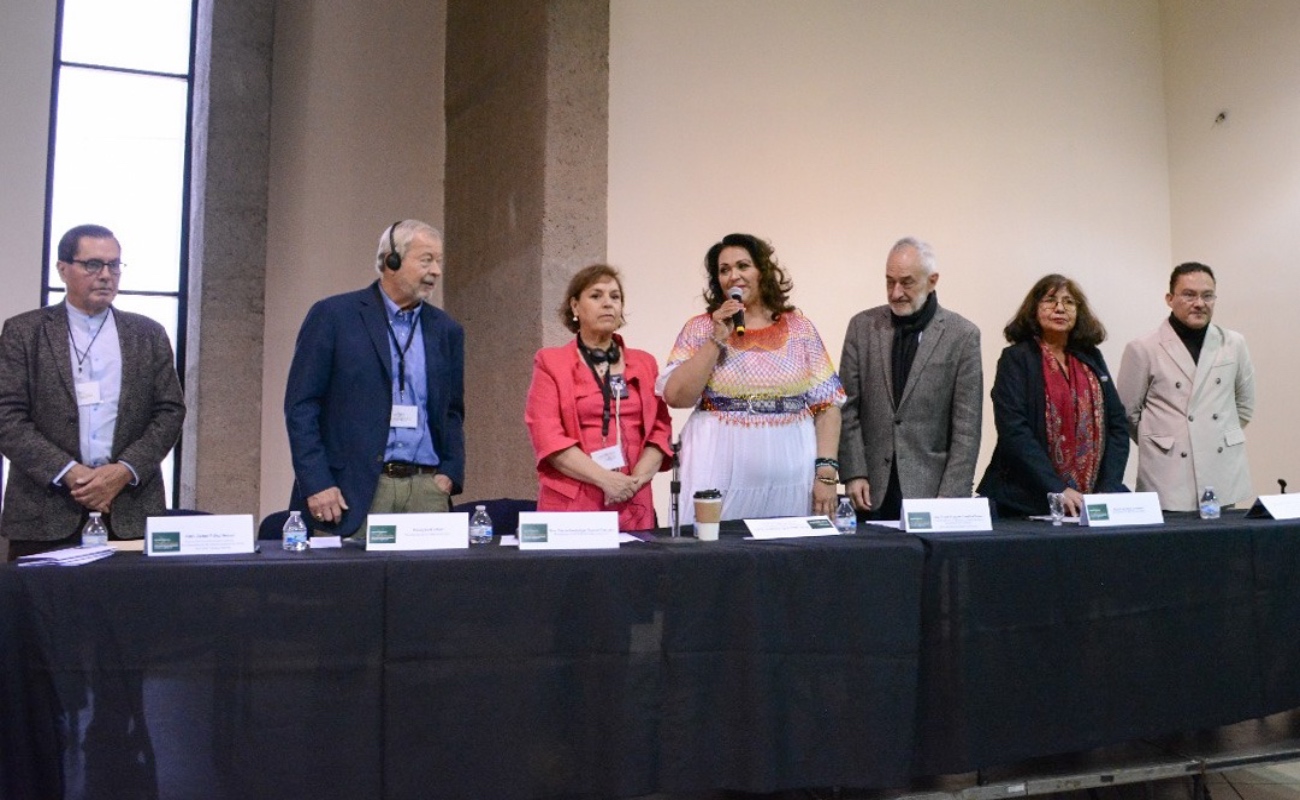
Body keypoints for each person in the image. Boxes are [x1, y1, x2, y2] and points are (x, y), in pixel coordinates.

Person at [0, 224, 185, 559]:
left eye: (114, 265)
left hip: (128, 508)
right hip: (44, 512)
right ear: (63, 269)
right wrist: (69, 473)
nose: (106, 275)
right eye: (93, 265)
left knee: (128, 611)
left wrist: (123, 471)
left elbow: (170, 411)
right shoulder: (24, 332)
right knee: (43, 611)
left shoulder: (148, 334)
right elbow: (7, 416)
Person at [284, 220, 465, 537]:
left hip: (426, 489)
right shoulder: (334, 316)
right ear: (391, 261)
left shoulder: (446, 330)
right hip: (351, 491)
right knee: (349, 587)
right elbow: (302, 406)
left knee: (429, 588)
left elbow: (452, 411)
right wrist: (316, 481)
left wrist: (449, 473)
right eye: (426, 260)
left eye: (439, 261)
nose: (436, 271)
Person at [658, 233, 845, 522]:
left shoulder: (800, 329)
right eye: (724, 270)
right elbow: (677, 397)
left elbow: (828, 406)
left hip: (792, 476)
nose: (734, 276)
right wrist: (716, 340)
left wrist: (827, 472)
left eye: (743, 266)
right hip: (716, 470)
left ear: (763, 272)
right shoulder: (700, 329)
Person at [838, 237, 983, 521]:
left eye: (907, 282)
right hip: (871, 494)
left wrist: (951, 498)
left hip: (932, 493)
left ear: (932, 281)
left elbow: (967, 426)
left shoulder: (963, 335)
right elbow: (847, 407)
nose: (896, 292)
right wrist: (854, 472)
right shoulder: (862, 327)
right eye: (889, 282)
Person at [524, 265, 673, 530]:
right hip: (573, 504)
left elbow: (660, 431)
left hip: (632, 502)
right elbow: (548, 437)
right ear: (575, 306)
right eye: (596, 296)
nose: (608, 303)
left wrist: (634, 482)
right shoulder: (550, 362)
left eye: (615, 297)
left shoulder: (644, 363)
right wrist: (606, 480)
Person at [977, 274, 1128, 518]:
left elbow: (1118, 426)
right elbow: (1014, 431)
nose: (1060, 308)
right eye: (1050, 300)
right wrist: (1057, 489)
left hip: (1090, 502)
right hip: (1025, 501)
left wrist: (1109, 489)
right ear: (1034, 309)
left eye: (1069, 302)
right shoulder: (1017, 359)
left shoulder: (1092, 358)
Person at [1117, 262, 1255, 511]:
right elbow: (1127, 413)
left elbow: (1244, 405)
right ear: (1170, 299)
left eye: (1207, 295)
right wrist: (1163, 441)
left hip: (1220, 466)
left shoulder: (1234, 343)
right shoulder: (1143, 348)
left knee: (1225, 548)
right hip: (1168, 471)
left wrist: (1212, 435)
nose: (1199, 303)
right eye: (1189, 294)